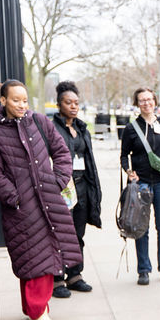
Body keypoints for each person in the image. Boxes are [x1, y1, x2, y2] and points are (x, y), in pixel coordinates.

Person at [0, 79, 82, 320]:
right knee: (31, 257)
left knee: (46, 254)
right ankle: (37, 310)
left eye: (24, 100)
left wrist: (58, 180)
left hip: (48, 200)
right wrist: (14, 197)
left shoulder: (39, 121)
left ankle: (37, 309)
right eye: (15, 100)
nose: (21, 105)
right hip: (21, 207)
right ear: (3, 100)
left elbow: (61, 152)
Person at [120, 87, 160, 286]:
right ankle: (143, 270)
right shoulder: (132, 128)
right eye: (142, 100)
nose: (146, 103)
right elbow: (124, 155)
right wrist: (128, 171)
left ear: (155, 101)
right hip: (141, 184)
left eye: (149, 99)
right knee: (141, 227)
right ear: (137, 103)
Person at [50, 80, 102, 297]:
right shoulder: (51, 128)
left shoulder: (81, 128)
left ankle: (74, 275)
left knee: (77, 233)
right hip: (62, 188)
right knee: (59, 234)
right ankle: (56, 279)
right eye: (68, 102)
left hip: (82, 186)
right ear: (59, 104)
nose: (73, 106)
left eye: (76, 103)